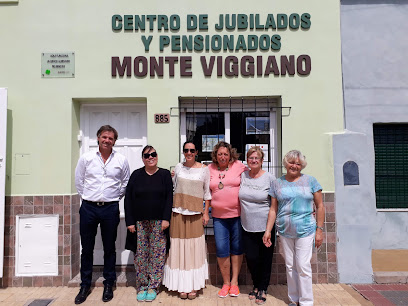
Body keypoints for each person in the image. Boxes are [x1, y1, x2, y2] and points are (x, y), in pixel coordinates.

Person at [74, 125, 130, 304]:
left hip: (110, 208)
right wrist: (88, 197)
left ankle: (108, 284)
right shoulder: (87, 158)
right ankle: (85, 285)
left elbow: (125, 182)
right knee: (87, 248)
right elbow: (79, 181)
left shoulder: (121, 160)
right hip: (88, 207)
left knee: (109, 248)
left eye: (111, 138)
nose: (107, 140)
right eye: (104, 137)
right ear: (98, 138)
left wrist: (113, 197)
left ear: (114, 141)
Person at [263, 150, 324, 306]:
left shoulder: (311, 181)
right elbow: (273, 209)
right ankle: (294, 299)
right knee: (290, 266)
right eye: (291, 162)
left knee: (303, 265)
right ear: (285, 163)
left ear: (302, 166)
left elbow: (320, 206)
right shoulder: (277, 183)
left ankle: (306, 302)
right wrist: (268, 231)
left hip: (306, 230)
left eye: (298, 163)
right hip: (284, 230)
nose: (294, 166)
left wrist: (319, 230)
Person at [124, 145, 173, 302]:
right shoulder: (136, 175)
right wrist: (130, 222)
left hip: (159, 222)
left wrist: (166, 219)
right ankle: (142, 286)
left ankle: (153, 286)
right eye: (147, 155)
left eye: (153, 154)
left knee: (157, 255)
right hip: (139, 223)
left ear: (157, 156)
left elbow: (169, 198)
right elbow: (128, 199)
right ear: (143, 158)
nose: (150, 157)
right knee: (141, 255)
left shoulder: (165, 175)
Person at [163, 141, 211, 299]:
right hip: (177, 213)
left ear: (196, 151)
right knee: (178, 248)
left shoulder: (204, 169)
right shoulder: (178, 167)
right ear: (183, 152)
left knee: (193, 249)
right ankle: (181, 285)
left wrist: (206, 213)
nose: (189, 153)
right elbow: (173, 188)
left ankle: (193, 285)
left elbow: (207, 193)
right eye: (186, 150)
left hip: (196, 214)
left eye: (192, 150)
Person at [208, 141, 246, 298]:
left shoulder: (239, 166)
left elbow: (254, 173)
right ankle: (226, 283)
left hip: (237, 216)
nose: (222, 156)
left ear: (230, 155)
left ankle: (235, 282)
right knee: (222, 249)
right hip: (218, 218)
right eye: (220, 154)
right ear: (215, 155)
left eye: (225, 154)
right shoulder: (209, 168)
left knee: (236, 249)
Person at [239, 146, 276, 305]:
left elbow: (274, 206)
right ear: (247, 160)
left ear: (262, 161)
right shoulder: (243, 175)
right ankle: (256, 284)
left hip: (265, 227)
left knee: (265, 259)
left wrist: (268, 230)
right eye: (251, 158)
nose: (253, 161)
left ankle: (263, 288)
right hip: (246, 225)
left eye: (257, 158)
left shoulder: (269, 178)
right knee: (252, 258)